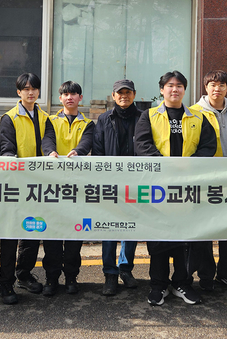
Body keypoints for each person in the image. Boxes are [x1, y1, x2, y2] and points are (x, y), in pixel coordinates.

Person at [135, 71, 217, 306]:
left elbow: (208, 146)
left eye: (179, 86)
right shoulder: (149, 116)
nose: (175, 89)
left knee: (186, 239)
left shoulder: (198, 117)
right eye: (170, 85)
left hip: (187, 187)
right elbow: (142, 144)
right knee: (159, 238)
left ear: (184, 90)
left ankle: (182, 283)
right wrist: (166, 166)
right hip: (158, 187)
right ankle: (158, 285)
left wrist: (189, 165)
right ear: (162, 89)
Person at [189, 70, 227, 293]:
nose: (217, 89)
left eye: (222, 85)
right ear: (205, 87)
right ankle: (205, 275)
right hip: (204, 180)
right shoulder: (193, 112)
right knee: (204, 230)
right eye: (213, 84)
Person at [0, 72, 49, 304]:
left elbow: (48, 143)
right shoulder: (9, 118)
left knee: (32, 230)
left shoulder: (46, 118)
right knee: (10, 235)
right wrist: (13, 161)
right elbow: (6, 147)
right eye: (26, 89)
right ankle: (5, 283)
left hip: (38, 185)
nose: (30, 92)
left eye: (34, 88)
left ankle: (24, 274)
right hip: (15, 184)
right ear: (18, 92)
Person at [40, 81, 94, 296]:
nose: (69, 97)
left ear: (80, 98)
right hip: (52, 186)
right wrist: (50, 152)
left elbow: (87, 142)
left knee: (74, 235)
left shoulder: (88, 123)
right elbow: (47, 140)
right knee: (52, 235)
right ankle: (51, 278)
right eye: (65, 94)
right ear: (60, 98)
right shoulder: (50, 120)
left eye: (74, 94)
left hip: (77, 187)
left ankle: (72, 277)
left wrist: (78, 151)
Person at [93, 79, 142, 296]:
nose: (124, 96)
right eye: (119, 93)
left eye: (128, 92)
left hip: (135, 182)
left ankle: (126, 268)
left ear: (134, 94)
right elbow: (98, 151)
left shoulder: (143, 118)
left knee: (131, 226)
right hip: (110, 182)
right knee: (110, 227)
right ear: (113, 96)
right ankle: (110, 273)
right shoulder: (104, 119)